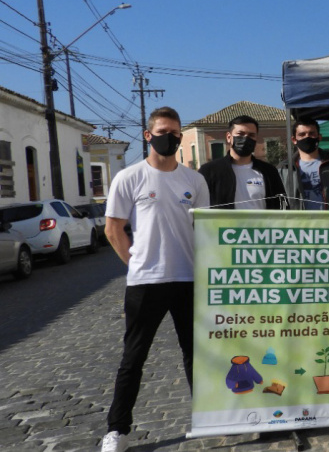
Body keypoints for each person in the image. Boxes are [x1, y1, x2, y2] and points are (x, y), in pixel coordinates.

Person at [101, 107, 209, 452]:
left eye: (176, 133)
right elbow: (113, 228)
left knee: (196, 353)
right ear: (148, 135)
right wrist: (133, 263)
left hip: (188, 279)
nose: (171, 138)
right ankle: (117, 430)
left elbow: (205, 230)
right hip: (145, 283)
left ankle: (206, 415)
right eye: (163, 131)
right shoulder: (129, 177)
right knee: (134, 357)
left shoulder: (195, 181)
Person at [198, 115, 286, 210]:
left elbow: (282, 207)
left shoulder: (269, 172)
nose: (245, 139)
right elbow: (198, 206)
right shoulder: (209, 171)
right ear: (228, 137)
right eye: (240, 134)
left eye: (251, 135)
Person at [290, 117, 329, 211]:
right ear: (294, 139)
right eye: (302, 134)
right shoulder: (285, 168)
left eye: (312, 133)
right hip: (298, 224)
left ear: (319, 137)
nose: (307, 137)